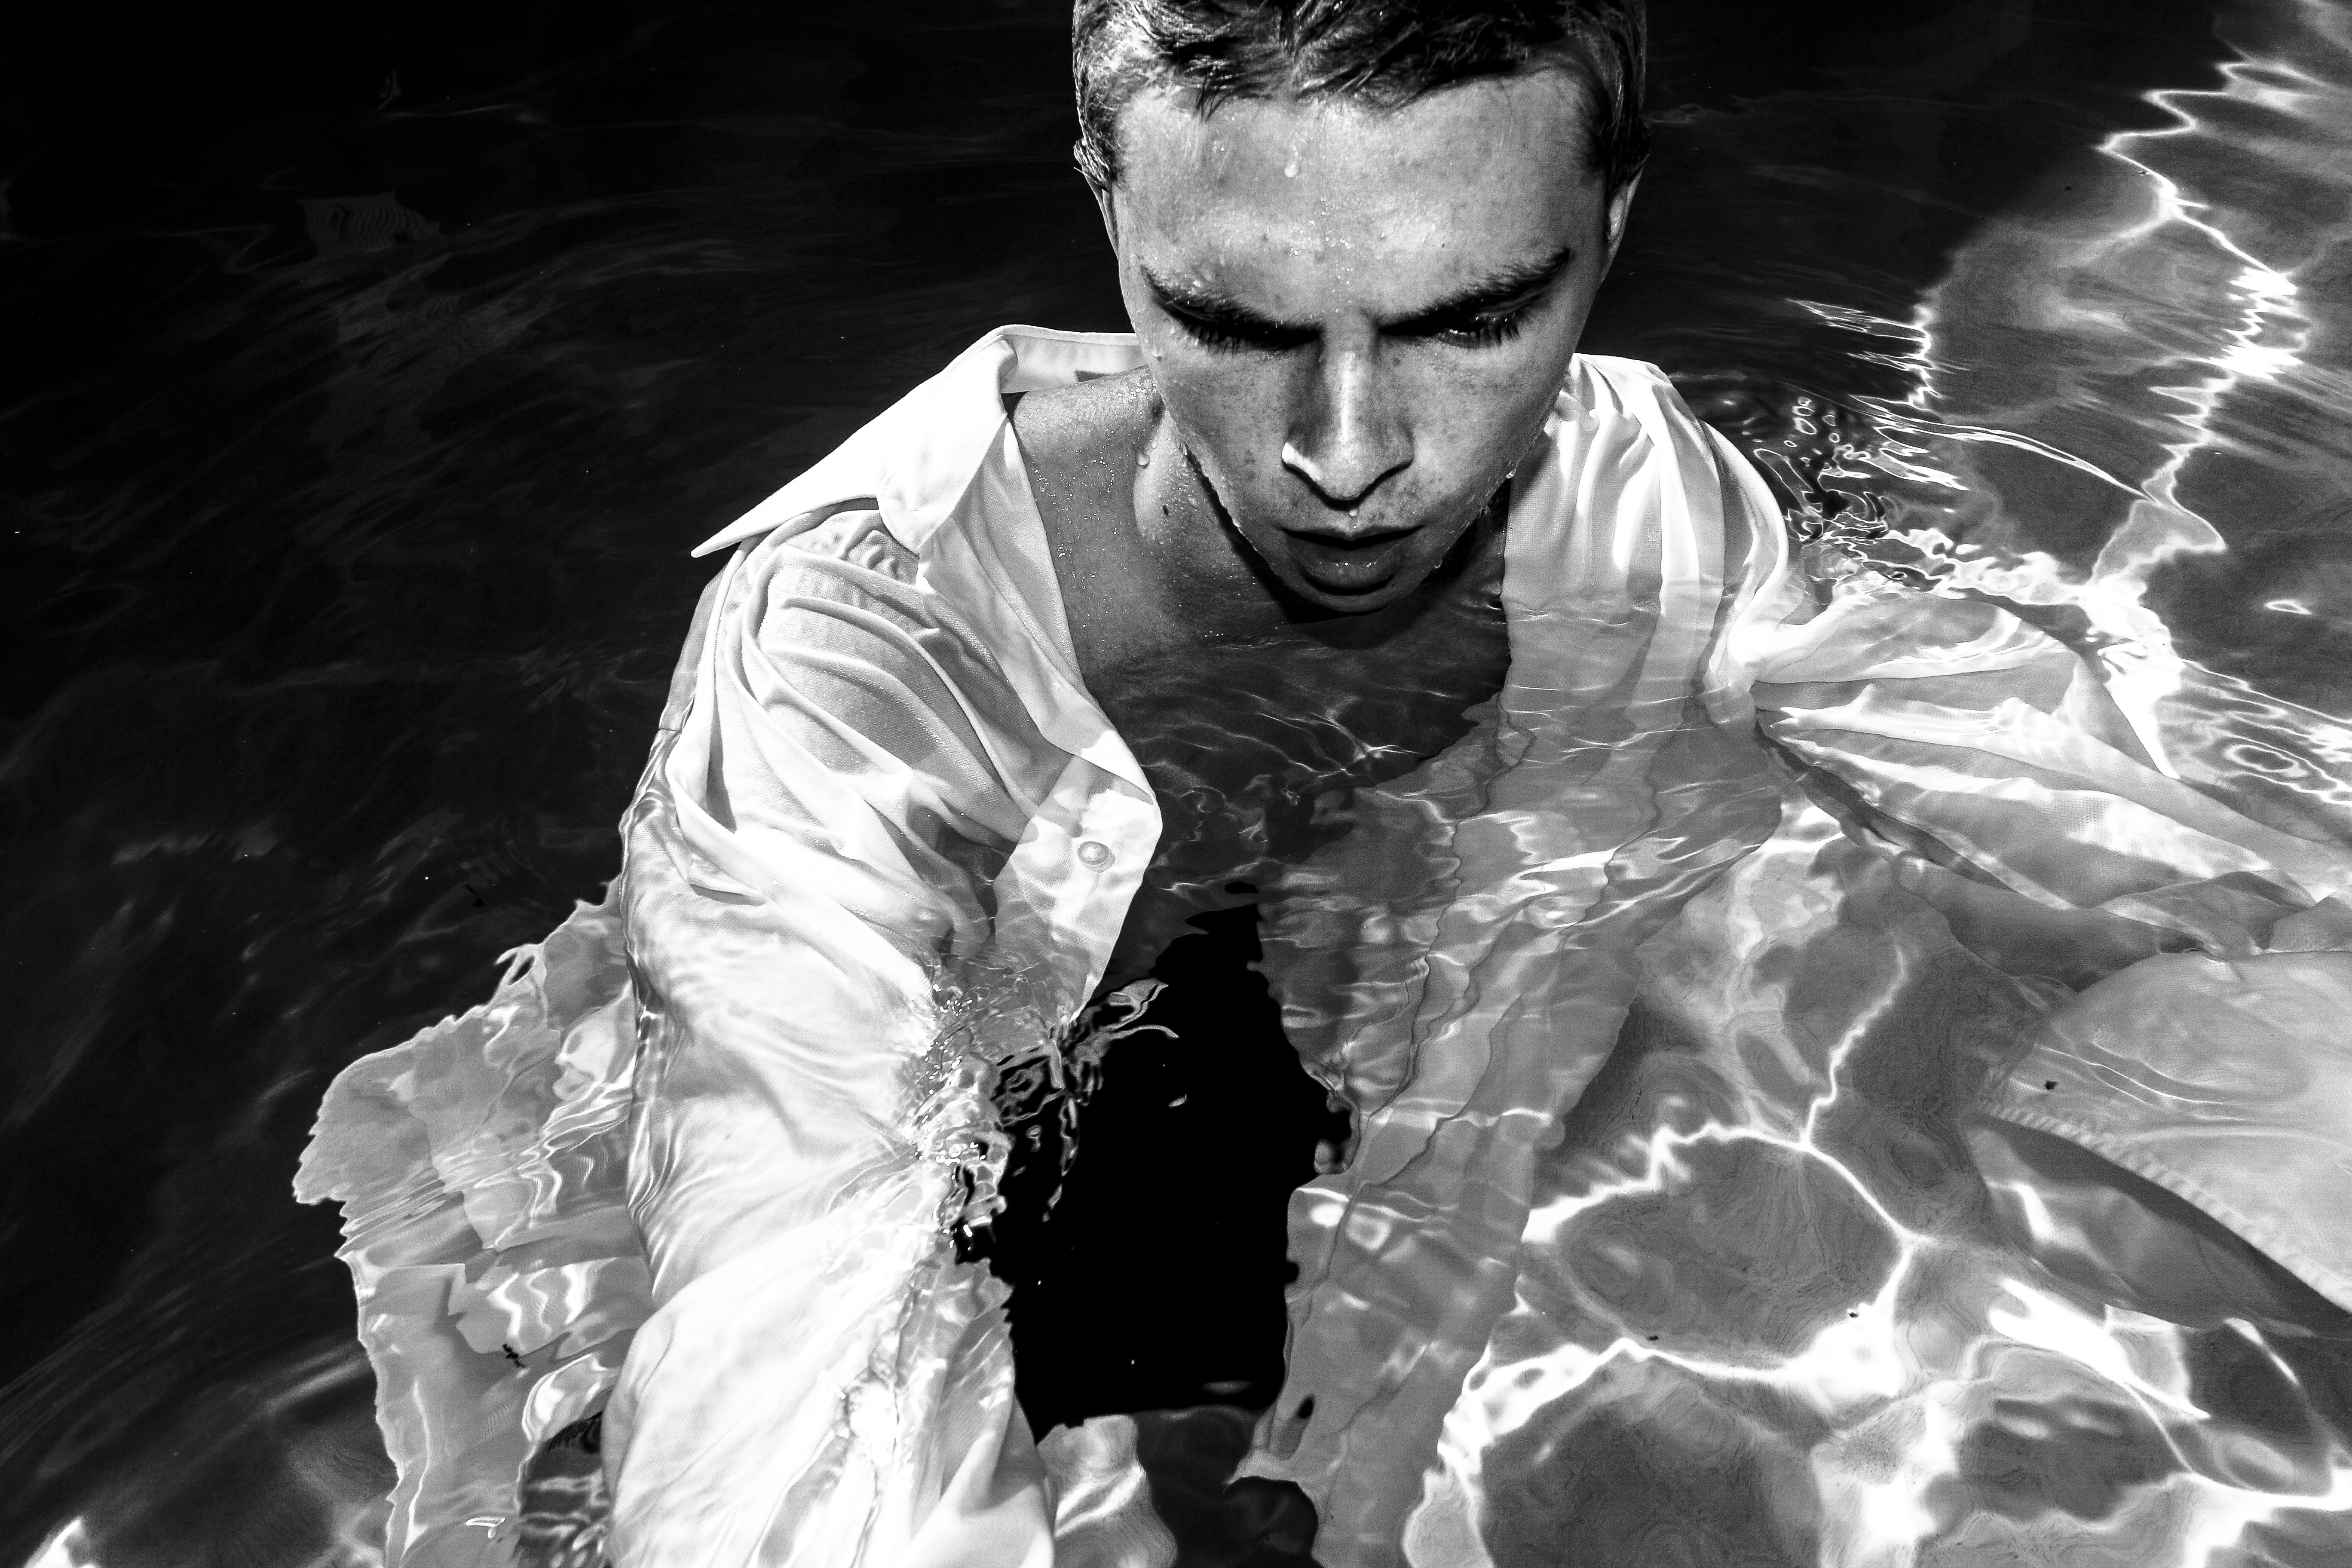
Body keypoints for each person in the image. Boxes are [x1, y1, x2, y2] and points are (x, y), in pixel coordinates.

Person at [297, 3, 2352, 1565]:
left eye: (1474, 319)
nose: (1351, 451)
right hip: (840, 1087)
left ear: (1614, 230)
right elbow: (776, 1315)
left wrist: (2269, 936)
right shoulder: (847, 662)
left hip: (1273, 1015)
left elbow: (2049, 774)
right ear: (1106, 210)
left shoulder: (1644, 487)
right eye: (1234, 319)